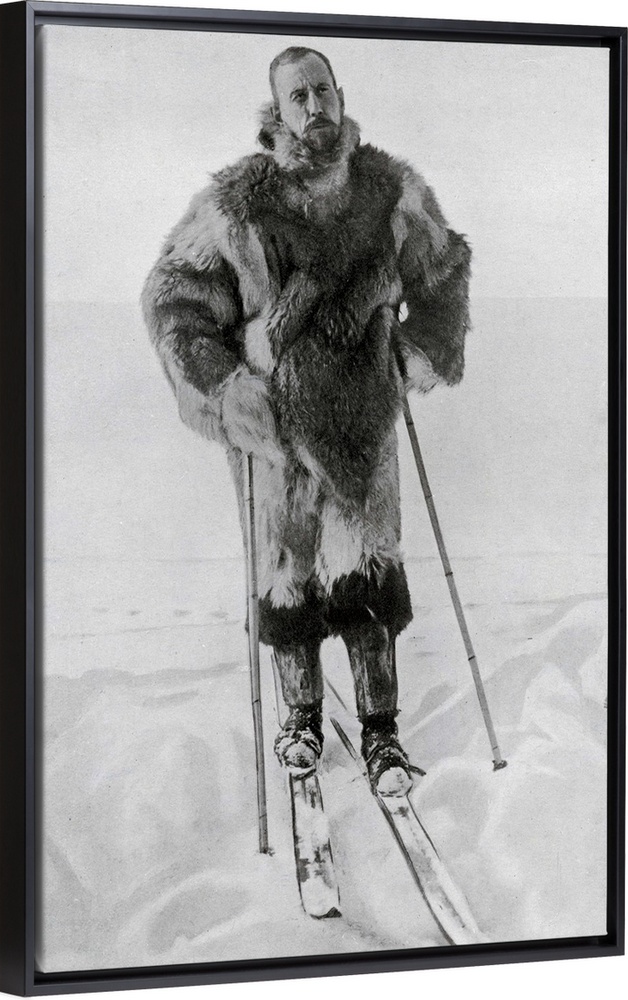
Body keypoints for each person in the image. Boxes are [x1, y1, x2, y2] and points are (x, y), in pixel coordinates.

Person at [142, 47, 470, 796]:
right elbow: (174, 298)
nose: (314, 105)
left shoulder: (390, 191)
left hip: (362, 417)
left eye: (322, 90)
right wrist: (225, 386)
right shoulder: (237, 204)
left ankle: (382, 732)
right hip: (276, 427)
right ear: (278, 111)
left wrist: (416, 351)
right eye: (299, 96)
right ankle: (301, 721)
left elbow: (444, 273)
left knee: (367, 571)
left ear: (340, 95)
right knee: (288, 575)